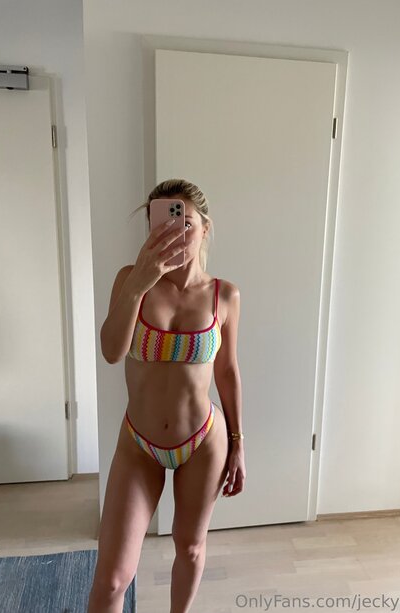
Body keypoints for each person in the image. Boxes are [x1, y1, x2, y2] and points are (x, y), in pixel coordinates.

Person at [87, 178, 245, 613]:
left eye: (185, 222)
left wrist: (238, 443)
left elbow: (227, 371)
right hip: (139, 444)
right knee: (112, 578)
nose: (174, 232)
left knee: (190, 547)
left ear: (205, 228)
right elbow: (111, 352)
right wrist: (139, 284)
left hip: (203, 441)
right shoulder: (130, 280)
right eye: (161, 222)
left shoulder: (224, 295)